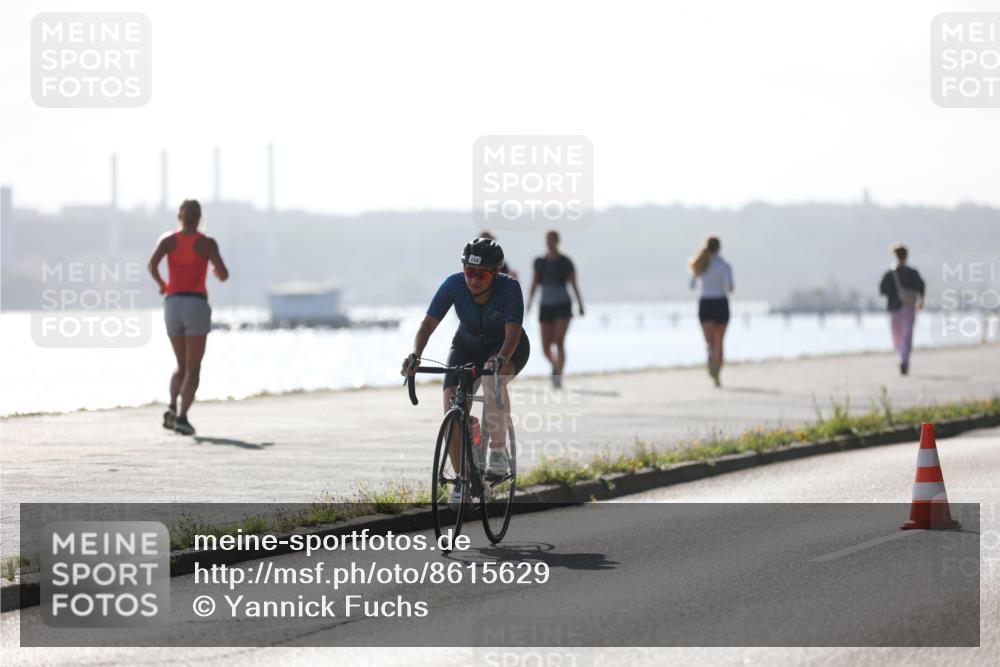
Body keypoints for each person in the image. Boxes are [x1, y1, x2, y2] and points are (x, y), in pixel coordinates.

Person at [401, 237, 530, 505]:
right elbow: (427, 323)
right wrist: (415, 355)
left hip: (506, 345)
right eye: (469, 273)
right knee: (451, 405)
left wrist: (501, 357)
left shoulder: (509, 289)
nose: (473, 280)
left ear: (495, 273)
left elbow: (514, 331)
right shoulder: (454, 285)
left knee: (492, 379)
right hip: (467, 345)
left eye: (481, 275)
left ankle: (497, 450)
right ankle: (461, 480)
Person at [148, 199, 229, 435]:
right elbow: (223, 275)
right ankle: (182, 418)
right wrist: (213, 269)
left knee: (181, 365)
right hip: (195, 304)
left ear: (180, 217)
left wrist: (164, 285)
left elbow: (151, 265)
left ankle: (172, 406)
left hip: (172, 305)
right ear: (199, 217)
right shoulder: (206, 243)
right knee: (193, 368)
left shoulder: (168, 240)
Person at [526, 230, 584, 388]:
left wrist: (580, 305)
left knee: (559, 341)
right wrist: (529, 302)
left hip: (563, 305)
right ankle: (554, 365)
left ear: (557, 241)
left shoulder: (566, 262)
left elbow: (574, 284)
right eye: (548, 240)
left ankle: (558, 375)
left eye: (552, 240)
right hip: (545, 306)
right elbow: (534, 283)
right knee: (545, 346)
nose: (550, 243)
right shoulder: (540, 262)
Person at [689, 235, 733, 387]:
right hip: (721, 303)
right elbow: (730, 287)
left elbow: (692, 285)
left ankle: (710, 359)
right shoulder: (724, 265)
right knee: (720, 341)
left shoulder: (701, 264)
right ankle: (717, 373)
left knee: (710, 342)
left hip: (706, 303)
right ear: (719, 248)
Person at [879, 243, 925, 375]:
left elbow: (882, 290)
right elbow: (921, 286)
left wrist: (893, 293)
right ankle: (904, 359)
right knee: (907, 335)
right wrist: (920, 299)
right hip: (909, 307)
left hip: (894, 308)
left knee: (896, 335)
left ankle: (901, 357)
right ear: (906, 256)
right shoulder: (912, 272)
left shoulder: (889, 274)